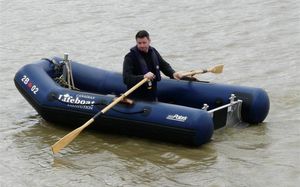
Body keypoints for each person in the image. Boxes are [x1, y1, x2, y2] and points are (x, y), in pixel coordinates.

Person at [123, 30, 183, 101]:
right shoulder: (130, 57)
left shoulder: (153, 52)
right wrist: (143, 77)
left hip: (152, 95)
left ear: (149, 41)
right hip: (137, 98)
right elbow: (126, 79)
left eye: (144, 43)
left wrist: (173, 73)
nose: (142, 45)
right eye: (139, 43)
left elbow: (164, 65)